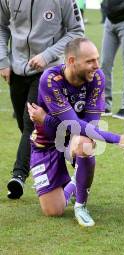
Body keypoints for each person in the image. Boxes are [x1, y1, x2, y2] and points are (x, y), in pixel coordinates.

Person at [27, 38, 124, 227]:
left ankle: (81, 206)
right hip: (46, 142)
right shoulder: (50, 79)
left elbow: (88, 127)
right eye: (90, 61)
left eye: (97, 59)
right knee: (53, 211)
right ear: (71, 61)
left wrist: (46, 118)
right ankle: (73, 184)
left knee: (85, 143)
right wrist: (119, 138)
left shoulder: (97, 78)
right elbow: (73, 125)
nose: (97, 65)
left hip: (74, 138)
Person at [0, 0, 84, 200]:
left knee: (32, 124)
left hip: (49, 71)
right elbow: (1, 27)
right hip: (17, 69)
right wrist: (3, 61)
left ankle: (18, 176)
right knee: (28, 130)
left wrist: (47, 55)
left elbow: (77, 32)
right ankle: (64, 175)